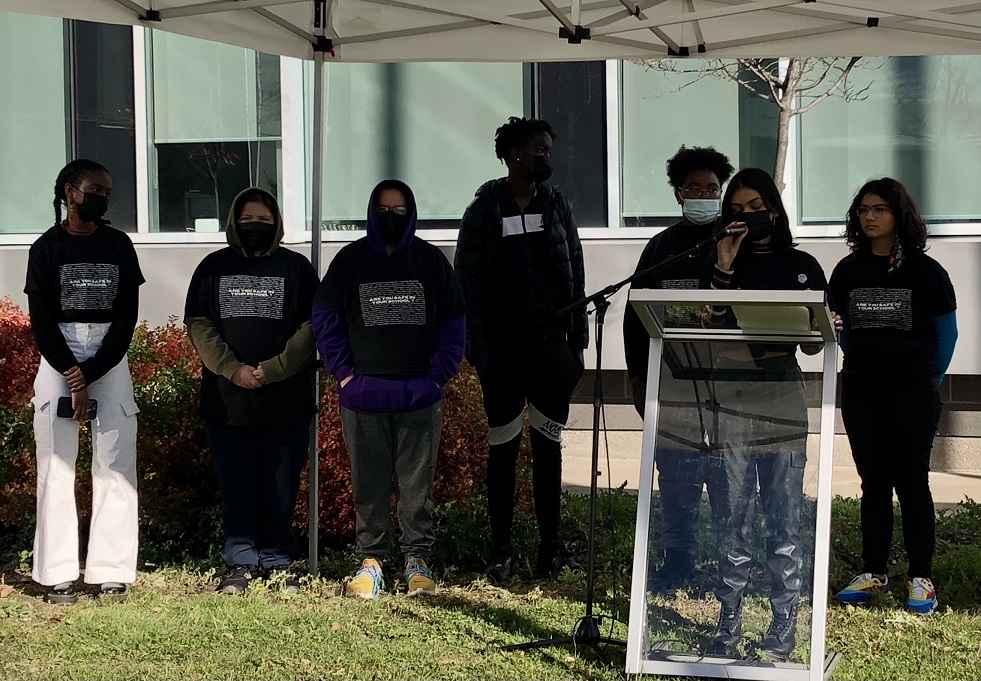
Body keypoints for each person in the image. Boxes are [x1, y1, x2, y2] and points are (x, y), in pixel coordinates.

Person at [701, 168, 832, 661]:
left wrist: (821, 324)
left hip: (780, 391)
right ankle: (729, 619)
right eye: (736, 211)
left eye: (755, 207)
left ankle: (783, 625)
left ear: (773, 210)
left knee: (782, 514)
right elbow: (705, 325)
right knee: (731, 513)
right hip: (729, 395)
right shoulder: (720, 262)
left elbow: (814, 342)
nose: (746, 217)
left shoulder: (801, 264)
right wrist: (723, 267)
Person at [313, 179, 465, 600]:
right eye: (384, 208)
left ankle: (418, 562)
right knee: (369, 484)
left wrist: (437, 376)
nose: (391, 216)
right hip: (364, 398)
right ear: (371, 211)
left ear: (412, 212)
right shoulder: (350, 261)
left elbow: (455, 324)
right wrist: (344, 375)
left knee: (417, 489)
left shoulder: (432, 262)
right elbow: (324, 318)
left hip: (420, 395)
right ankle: (371, 563)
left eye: (399, 209)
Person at [455, 116, 588, 584]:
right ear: (514, 153)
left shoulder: (557, 205)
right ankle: (501, 551)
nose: (545, 156)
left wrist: (577, 346)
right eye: (538, 149)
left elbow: (575, 268)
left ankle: (550, 549)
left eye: (548, 148)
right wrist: (481, 354)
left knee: (548, 449)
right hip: (503, 357)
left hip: (553, 353)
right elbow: (466, 284)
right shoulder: (485, 209)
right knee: (504, 452)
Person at [831, 178, 956, 616]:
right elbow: (840, 329)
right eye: (864, 209)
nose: (870, 216)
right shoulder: (847, 271)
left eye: (880, 209)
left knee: (913, 483)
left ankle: (921, 577)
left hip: (914, 393)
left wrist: (928, 380)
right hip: (862, 391)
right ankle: (874, 573)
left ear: (899, 215)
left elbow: (947, 334)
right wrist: (865, 363)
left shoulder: (926, 271)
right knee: (874, 485)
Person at [184, 187, 319, 595]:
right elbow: (199, 324)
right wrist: (233, 369)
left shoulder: (297, 268)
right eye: (248, 220)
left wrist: (274, 369)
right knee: (237, 485)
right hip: (228, 402)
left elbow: (312, 327)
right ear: (234, 222)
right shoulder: (212, 267)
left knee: (281, 485)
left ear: (276, 223)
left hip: (286, 399)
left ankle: (279, 559)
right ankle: (240, 561)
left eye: (263, 220)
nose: (255, 227)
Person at [25, 159, 144, 604]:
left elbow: (127, 317)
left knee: (115, 461)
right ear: (70, 192)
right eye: (94, 189)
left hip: (108, 357)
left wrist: (90, 374)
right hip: (58, 353)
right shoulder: (46, 248)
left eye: (107, 192)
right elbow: (41, 321)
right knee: (56, 464)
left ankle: (110, 571)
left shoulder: (118, 244)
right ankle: (56, 572)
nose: (101, 198)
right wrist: (72, 377)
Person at [623, 145, 734, 591]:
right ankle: (678, 558)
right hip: (671, 381)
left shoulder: (732, 239)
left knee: (729, 476)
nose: (704, 195)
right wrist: (636, 376)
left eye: (712, 188)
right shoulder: (661, 247)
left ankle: (731, 561)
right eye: (695, 189)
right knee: (675, 475)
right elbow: (635, 316)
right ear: (678, 194)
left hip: (729, 383)